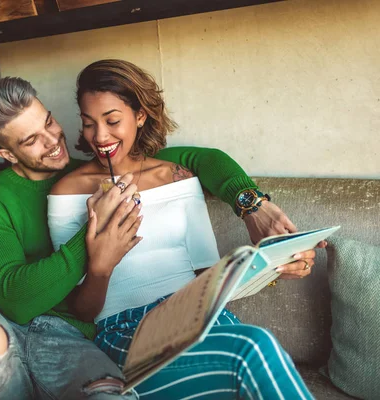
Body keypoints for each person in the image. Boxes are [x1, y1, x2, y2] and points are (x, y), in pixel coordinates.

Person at [0, 75, 317, 399]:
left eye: (49, 122)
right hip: (59, 327)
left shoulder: (99, 166)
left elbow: (201, 160)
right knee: (252, 351)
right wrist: (97, 231)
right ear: (7, 155)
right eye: (30, 141)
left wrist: (253, 207)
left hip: (139, 324)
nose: (53, 140)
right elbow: (16, 298)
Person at [48, 59, 321, 399]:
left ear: (141, 116)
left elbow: (209, 277)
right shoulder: (68, 192)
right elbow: (83, 310)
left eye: (112, 120)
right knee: (254, 347)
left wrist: (274, 266)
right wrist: (102, 265)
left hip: (200, 318)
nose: (100, 136)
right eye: (89, 124)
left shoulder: (177, 176)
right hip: (126, 331)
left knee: (249, 354)